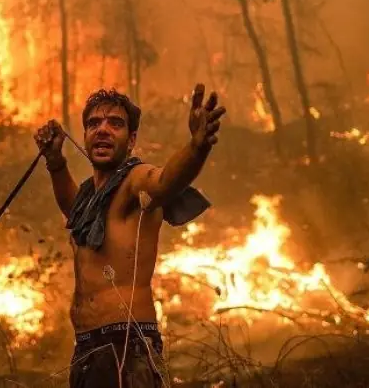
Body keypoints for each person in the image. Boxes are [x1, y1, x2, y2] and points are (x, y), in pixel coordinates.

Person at [34, 84, 226, 388]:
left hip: (127, 345)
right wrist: (55, 162)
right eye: (94, 124)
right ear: (84, 135)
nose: (103, 130)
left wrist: (197, 146)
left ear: (132, 139)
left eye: (115, 123)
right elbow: (73, 211)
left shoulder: (135, 181)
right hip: (86, 349)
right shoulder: (89, 199)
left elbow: (164, 182)